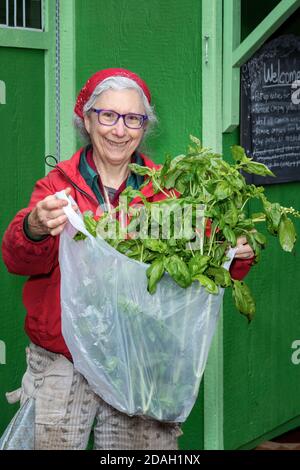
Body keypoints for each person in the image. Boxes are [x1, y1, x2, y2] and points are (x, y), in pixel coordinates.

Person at [1, 68, 254, 450]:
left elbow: (203, 264)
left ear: (144, 126)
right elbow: (19, 261)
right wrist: (33, 227)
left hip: (139, 358)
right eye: (108, 115)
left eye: (133, 118)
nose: (120, 130)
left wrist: (234, 253)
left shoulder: (166, 190)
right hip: (65, 356)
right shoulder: (59, 186)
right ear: (86, 120)